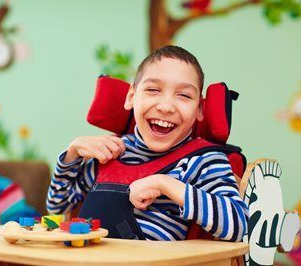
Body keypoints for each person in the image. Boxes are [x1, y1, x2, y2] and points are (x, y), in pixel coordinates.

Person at [47, 45, 248, 241]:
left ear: (200, 110)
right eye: (153, 90)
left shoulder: (203, 160)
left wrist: (165, 184)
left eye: (184, 95)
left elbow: (241, 225)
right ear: (131, 97)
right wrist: (72, 153)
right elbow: (58, 207)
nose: (166, 106)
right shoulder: (110, 152)